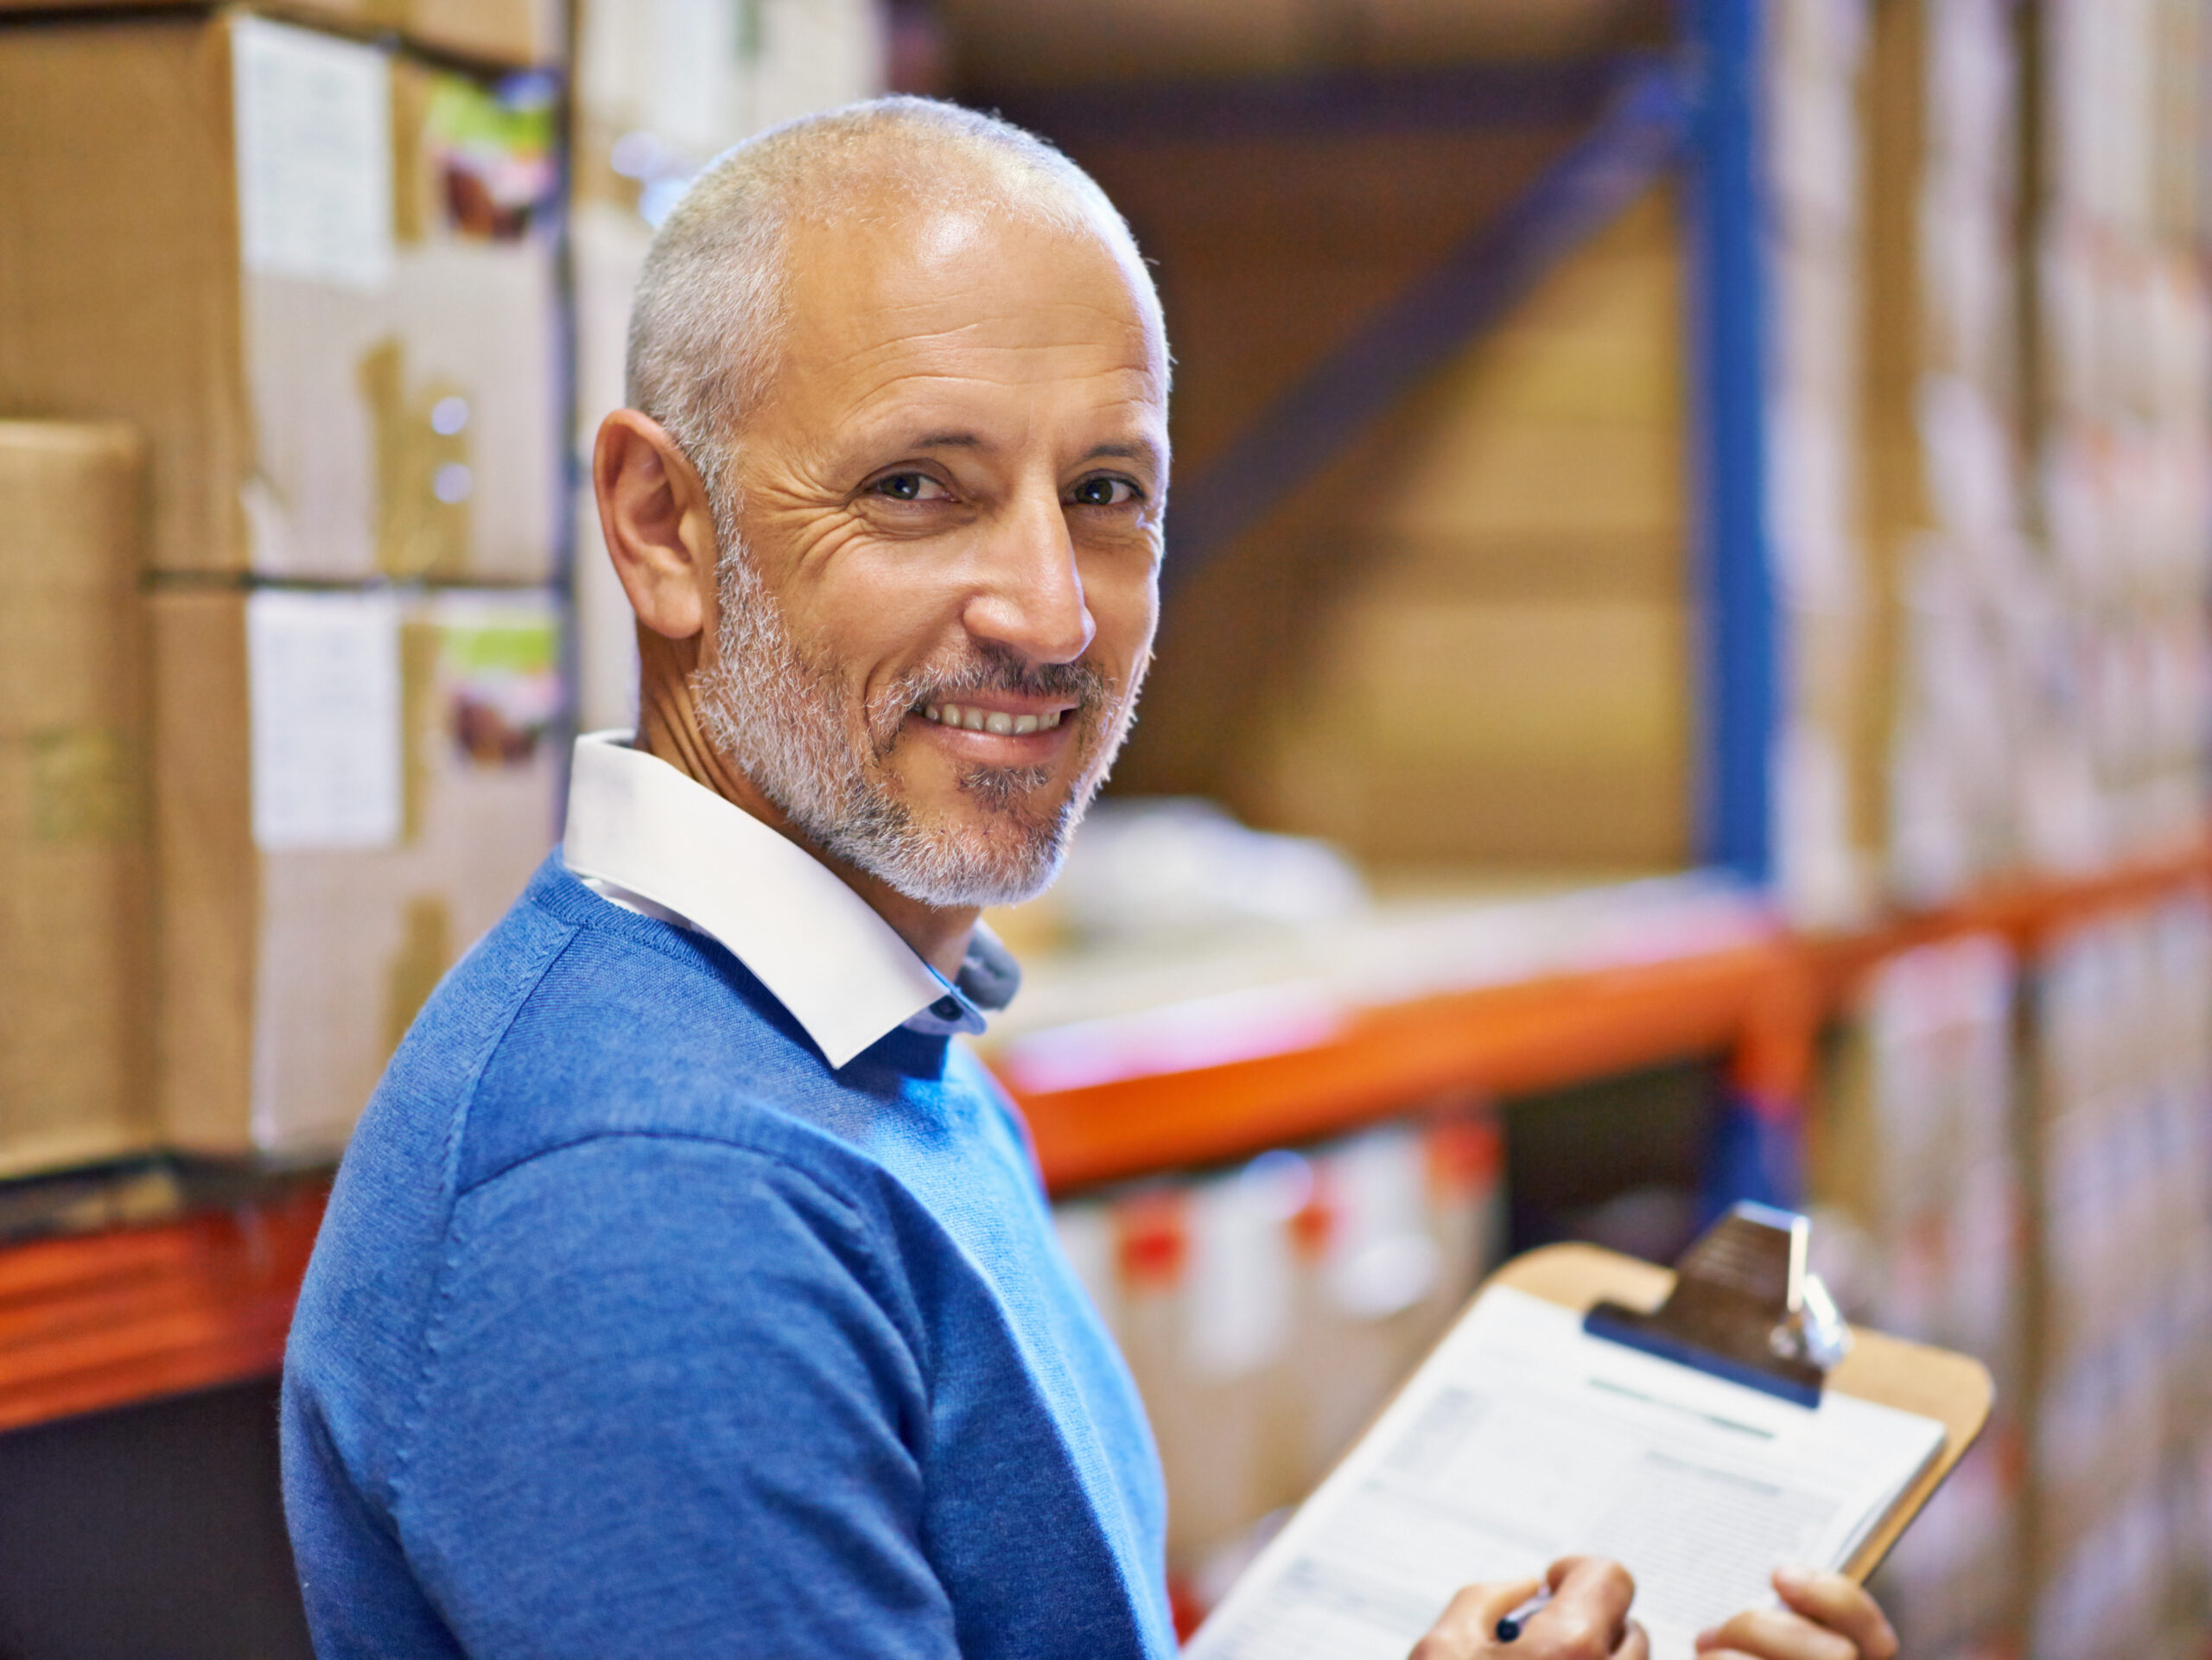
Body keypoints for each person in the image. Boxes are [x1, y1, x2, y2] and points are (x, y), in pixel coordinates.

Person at [281, 97, 1898, 1660]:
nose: (1053, 618)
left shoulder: (850, 1050)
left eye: (1107, 495)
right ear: (663, 526)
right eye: (920, 488)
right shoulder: (646, 1201)